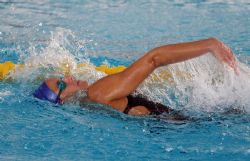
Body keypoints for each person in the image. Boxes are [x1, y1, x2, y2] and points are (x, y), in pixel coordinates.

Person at [33, 38, 237, 117]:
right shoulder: (97, 93)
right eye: (62, 83)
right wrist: (209, 45)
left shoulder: (91, 109)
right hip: (187, 125)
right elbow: (154, 59)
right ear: (61, 100)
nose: (68, 77)